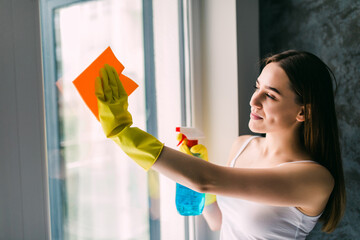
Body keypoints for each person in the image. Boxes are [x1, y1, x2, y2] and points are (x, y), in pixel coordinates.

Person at [95, 50, 346, 239]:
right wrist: (199, 172)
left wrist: (123, 132)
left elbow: (206, 179)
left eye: (270, 95)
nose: (253, 100)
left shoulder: (314, 178)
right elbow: (219, 222)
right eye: (257, 87)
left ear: (304, 113)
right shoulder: (242, 146)